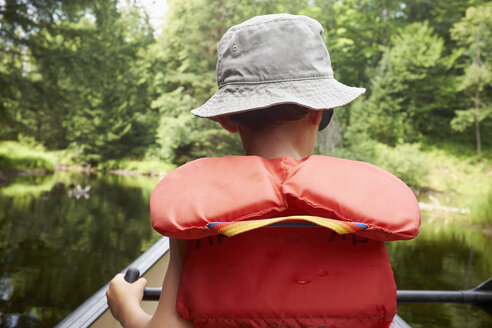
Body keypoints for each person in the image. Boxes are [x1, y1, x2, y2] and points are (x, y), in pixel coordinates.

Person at [106, 14, 420, 328]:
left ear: (227, 119)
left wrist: (125, 308)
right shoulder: (360, 205)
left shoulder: (203, 209)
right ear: (321, 114)